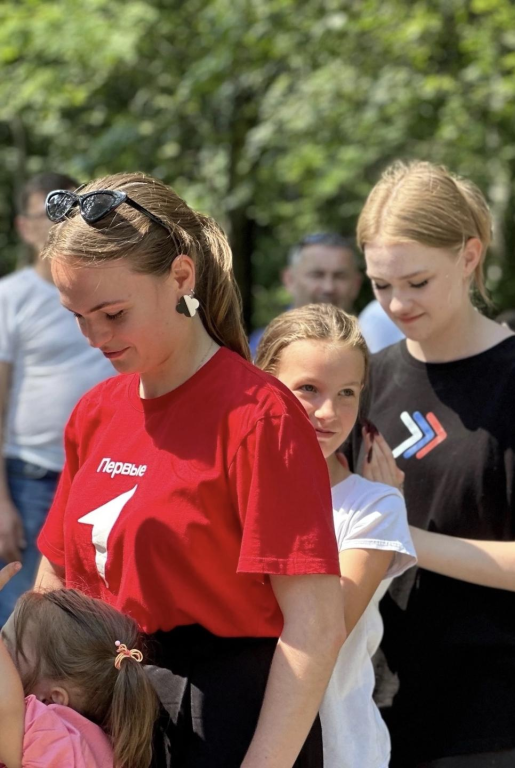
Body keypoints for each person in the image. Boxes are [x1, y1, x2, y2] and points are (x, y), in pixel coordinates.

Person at [33, 173, 346, 768]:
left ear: (181, 276)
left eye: (112, 313)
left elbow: (315, 626)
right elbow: (58, 584)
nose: (95, 337)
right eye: (77, 316)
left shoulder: (260, 416)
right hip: (107, 721)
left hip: (226, 725)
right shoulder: (96, 412)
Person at [357, 160, 515, 768]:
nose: (397, 303)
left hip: (494, 719)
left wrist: (401, 538)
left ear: (469, 256)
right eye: (381, 285)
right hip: (373, 710)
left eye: (417, 282)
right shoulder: (367, 379)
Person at [254, 304, 416, 768]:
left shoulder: (375, 505)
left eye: (347, 392)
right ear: (263, 384)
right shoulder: (226, 488)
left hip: (340, 748)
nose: (328, 411)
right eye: (308, 389)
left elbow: (325, 629)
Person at [0, 173, 113, 622]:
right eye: (45, 215)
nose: (57, 226)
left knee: (89, 616)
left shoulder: (111, 292)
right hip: (31, 478)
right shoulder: (10, 297)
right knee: (24, 615)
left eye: (68, 213)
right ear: (23, 226)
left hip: (103, 473)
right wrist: (2, 501)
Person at [0, 561, 159, 768]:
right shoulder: (87, 743)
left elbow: (5, 710)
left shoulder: (54, 741)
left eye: (5, 648)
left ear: (52, 700)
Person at [249, 232, 363, 353]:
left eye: (340, 276)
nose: (328, 288)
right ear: (289, 280)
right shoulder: (261, 348)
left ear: (356, 284)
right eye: (317, 275)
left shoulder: (374, 343)